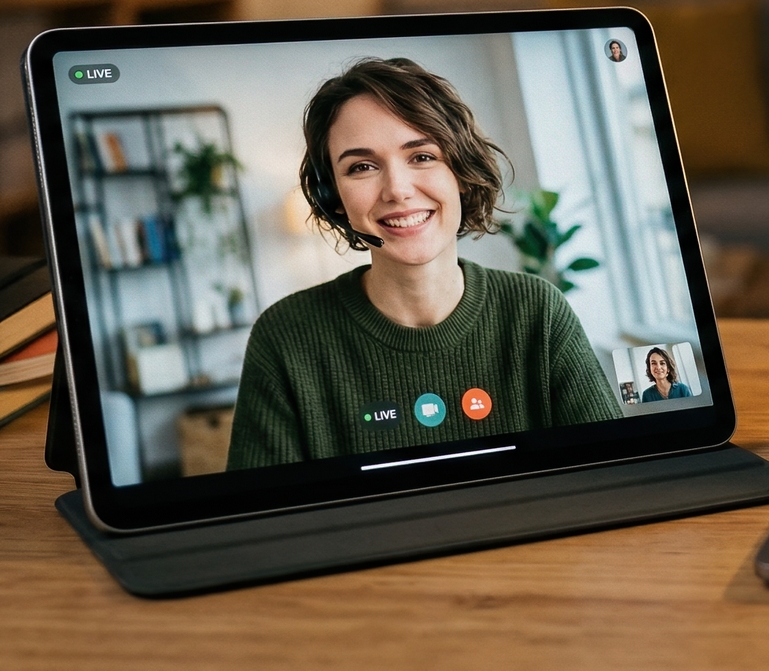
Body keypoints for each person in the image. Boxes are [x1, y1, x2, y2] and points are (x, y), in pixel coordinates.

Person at [227, 58, 620, 470]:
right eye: (361, 167)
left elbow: (615, 479)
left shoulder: (537, 310)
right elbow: (261, 521)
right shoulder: (285, 338)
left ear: (461, 173)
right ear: (335, 197)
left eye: (422, 157)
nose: (397, 189)